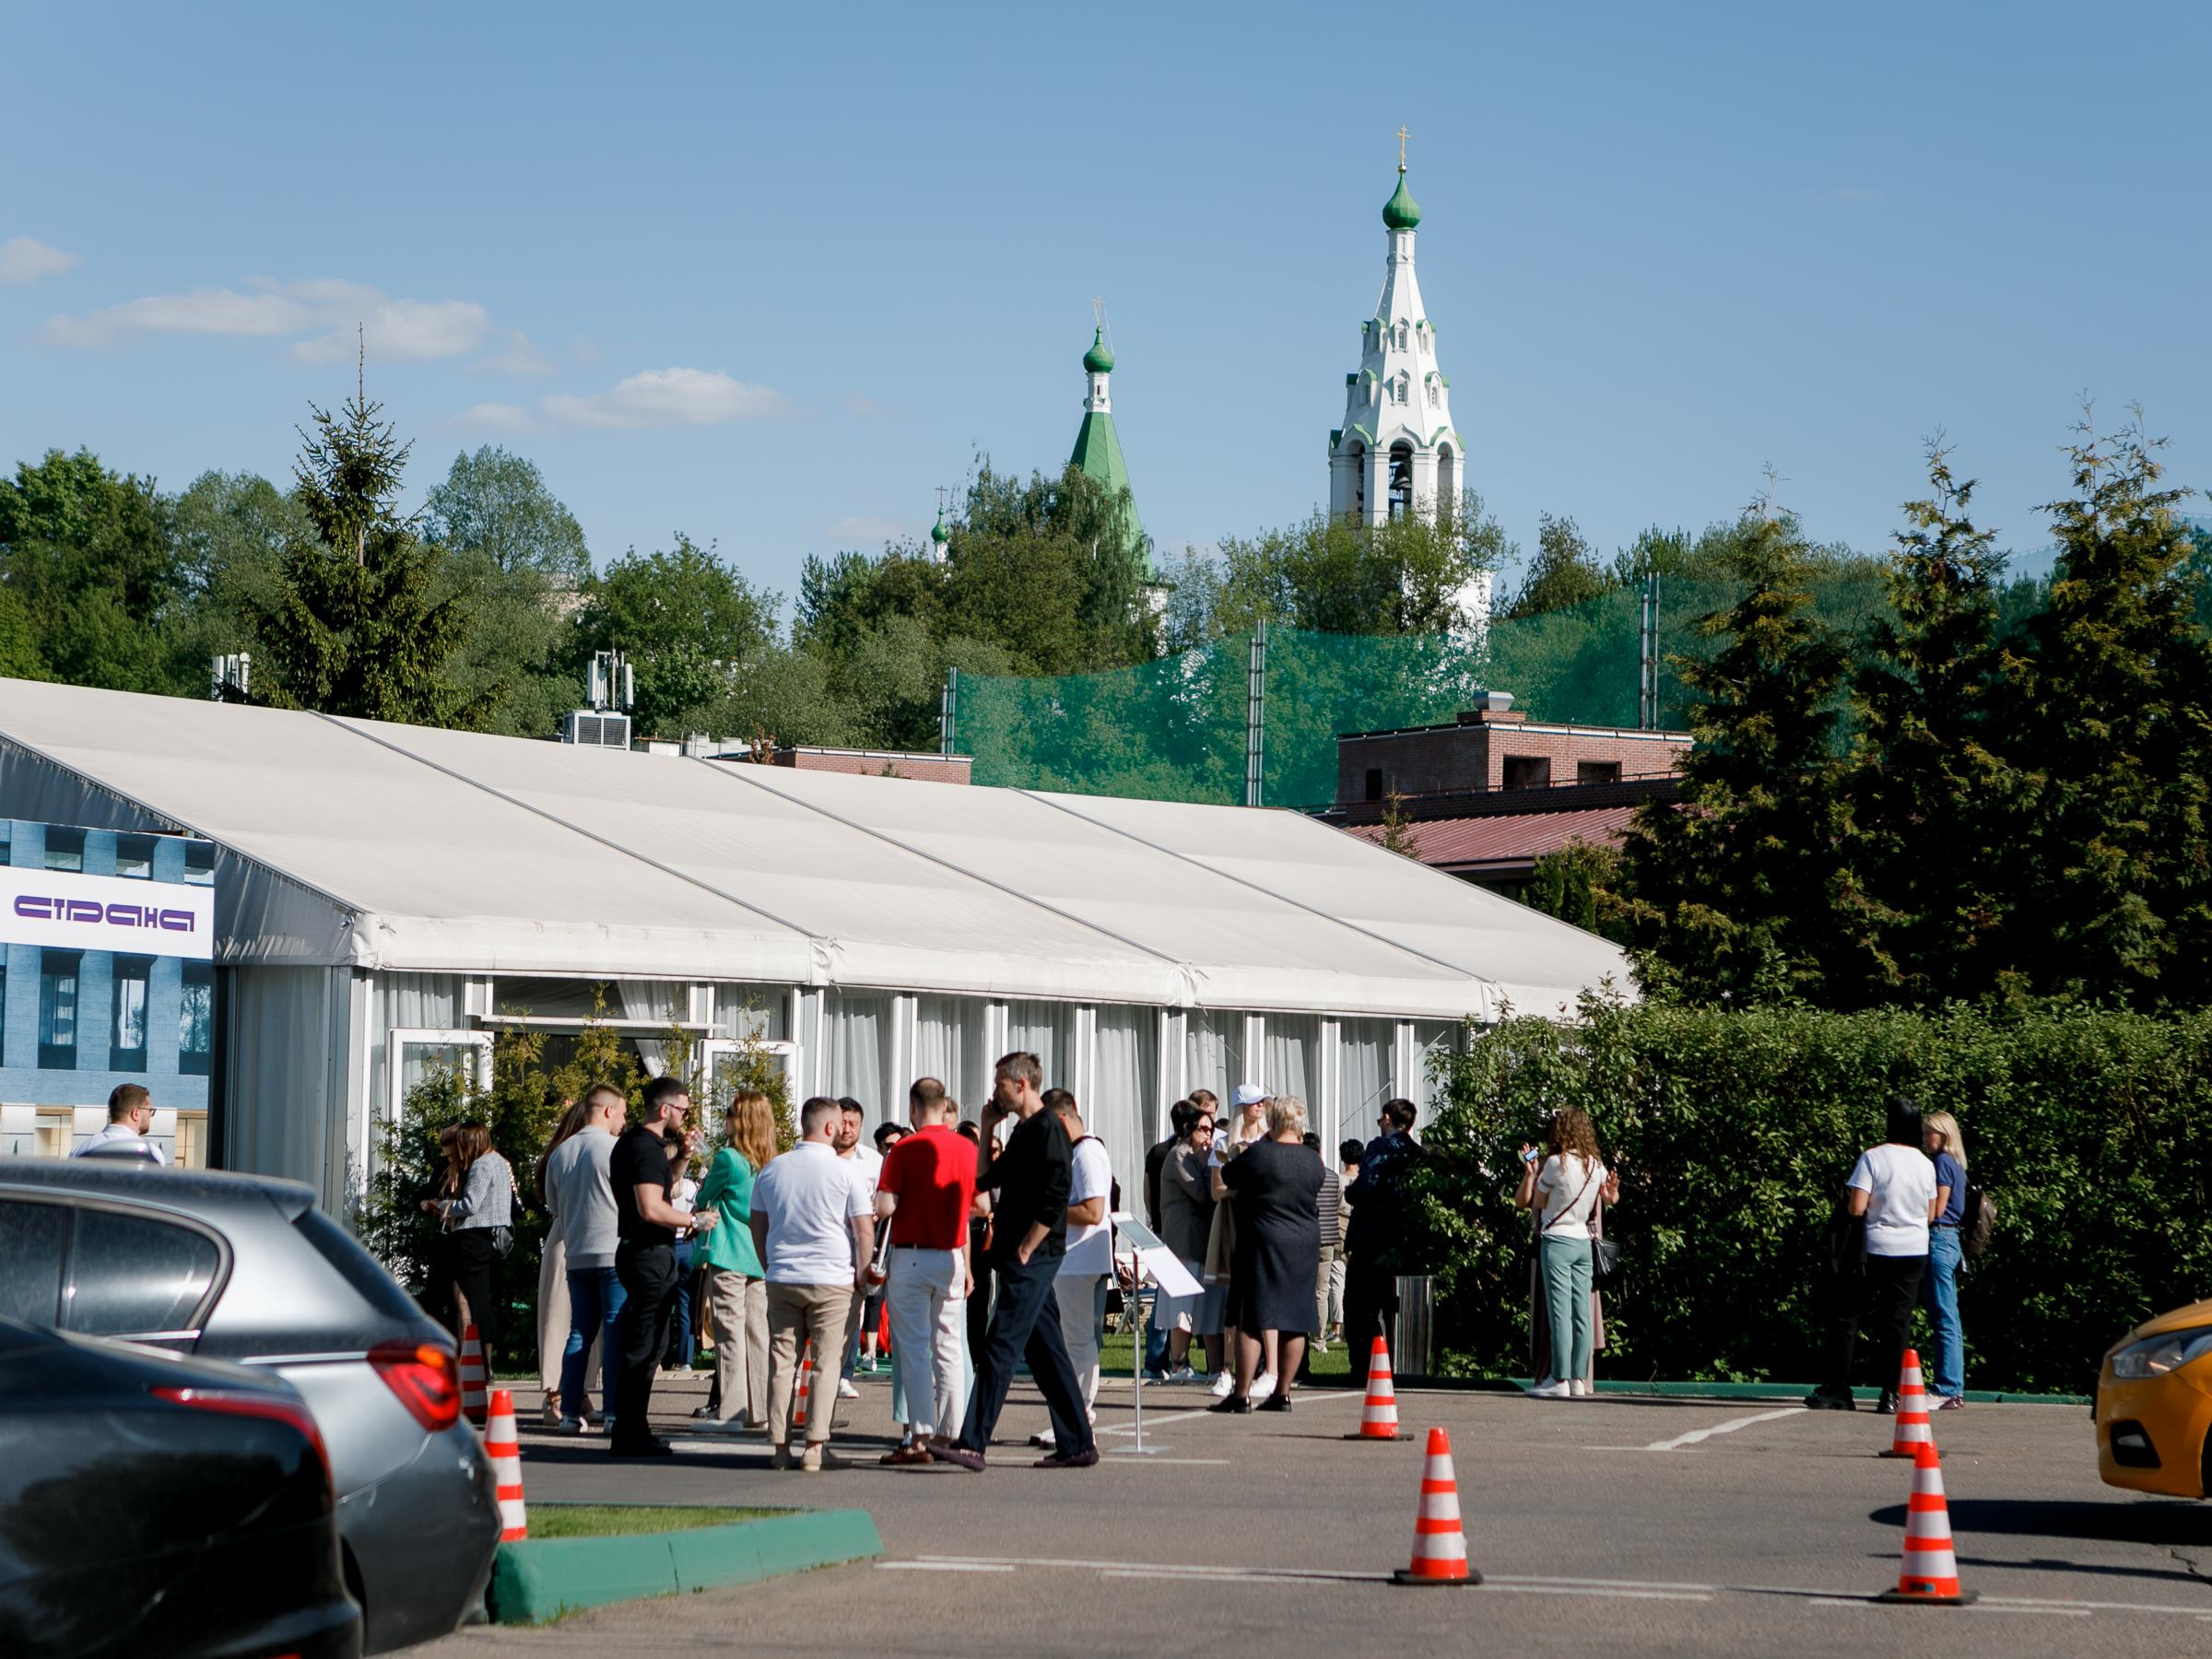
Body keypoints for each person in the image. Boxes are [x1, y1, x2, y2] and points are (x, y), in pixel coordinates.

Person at [931, 1053, 1097, 1472]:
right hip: (1018, 1256)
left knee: (1000, 1346)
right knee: (1047, 1356)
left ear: (1021, 1085)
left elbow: (1057, 1197)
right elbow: (985, 1179)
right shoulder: (1024, 1130)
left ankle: (971, 1443)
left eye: (1000, 1084)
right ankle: (1078, 1444)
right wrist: (987, 1128)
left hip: (1034, 1257)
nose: (995, 1091)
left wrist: (1028, 1246)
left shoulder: (1050, 1131)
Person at [751, 1097, 875, 1472]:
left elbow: (758, 1223)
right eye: (837, 1123)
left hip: (784, 1276)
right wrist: (863, 1273)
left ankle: (779, 1447)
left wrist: (768, 1263)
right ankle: (815, 1446)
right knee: (826, 1364)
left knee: (782, 1363)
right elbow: (863, 1228)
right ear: (829, 1127)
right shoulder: (845, 1171)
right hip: (832, 1278)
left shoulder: (772, 1169)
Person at [607, 1077, 718, 1458]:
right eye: (683, 1110)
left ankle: (633, 1428)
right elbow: (651, 1207)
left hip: (647, 1252)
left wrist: (684, 1156)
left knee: (652, 1343)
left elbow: (664, 1187)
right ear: (664, 1108)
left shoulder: (645, 1146)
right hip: (647, 1252)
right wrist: (694, 1221)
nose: (686, 1117)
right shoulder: (643, 1147)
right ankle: (628, 1432)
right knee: (644, 1345)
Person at [1807, 1095, 1937, 1413]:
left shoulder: (1873, 1158)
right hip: (1914, 1249)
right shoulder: (1925, 1164)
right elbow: (1931, 1214)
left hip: (1876, 1250)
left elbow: (1857, 1207)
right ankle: (1890, 1393)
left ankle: (1839, 1388)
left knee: (1848, 1316)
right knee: (1897, 1323)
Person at [875, 1077, 977, 1465]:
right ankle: (953, 1432)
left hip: (912, 1254)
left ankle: (920, 1436)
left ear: (914, 1108)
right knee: (950, 1346)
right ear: (945, 1105)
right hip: (950, 1254)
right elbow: (978, 1203)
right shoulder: (966, 1147)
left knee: (915, 1350)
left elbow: (885, 1206)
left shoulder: (905, 1147)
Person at [1209, 1097, 1324, 1413]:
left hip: (1262, 1238)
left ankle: (1241, 1394)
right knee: (1296, 1318)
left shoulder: (1260, 1153)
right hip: (1303, 1241)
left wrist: (1258, 1144)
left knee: (1252, 1316)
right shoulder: (1313, 1161)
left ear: (1272, 1123)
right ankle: (1282, 1393)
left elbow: (1229, 1175)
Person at [1513, 1106, 1618, 1399]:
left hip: (1556, 1242)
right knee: (1581, 1314)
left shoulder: (1556, 1163)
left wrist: (1532, 1172)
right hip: (1583, 1242)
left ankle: (1558, 1379)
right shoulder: (1595, 1166)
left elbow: (1539, 1202)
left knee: (1559, 1314)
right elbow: (1609, 1198)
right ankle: (1577, 1380)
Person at [691, 1088, 776, 1433]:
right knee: (759, 1333)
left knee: (729, 1332)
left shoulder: (728, 1158)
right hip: (760, 1254)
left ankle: (731, 1409)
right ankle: (761, 1409)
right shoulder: (769, 1159)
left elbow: (705, 1194)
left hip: (729, 1251)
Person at [545, 1084, 626, 1434]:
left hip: (577, 1253)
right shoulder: (613, 1148)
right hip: (612, 1249)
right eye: (622, 1112)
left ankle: (568, 1413)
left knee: (579, 1332)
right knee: (614, 1331)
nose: (623, 1120)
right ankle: (611, 1414)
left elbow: (553, 1206)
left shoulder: (561, 1153)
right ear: (607, 1110)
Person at [1042, 1088, 1112, 1441]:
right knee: (1074, 1338)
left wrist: (1046, 1211)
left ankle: (1078, 1414)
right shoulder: (1080, 1152)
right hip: (1073, 1259)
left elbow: (1092, 1211)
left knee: (1077, 1339)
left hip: (1079, 1259)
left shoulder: (1087, 1153)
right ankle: (1075, 1412)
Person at [1343, 1099, 1421, 1376]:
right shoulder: (1416, 1153)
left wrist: (1350, 1192)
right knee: (1393, 1304)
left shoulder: (1379, 1147)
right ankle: (1399, 1362)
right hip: (1403, 1237)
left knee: (1359, 1304)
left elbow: (1366, 1186)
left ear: (1387, 1118)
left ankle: (1364, 1363)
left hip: (1370, 1235)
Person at [1204, 1084, 1271, 1399]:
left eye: (1262, 1103)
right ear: (1241, 1108)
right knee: (1235, 1298)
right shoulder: (1223, 1140)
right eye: (1254, 1103)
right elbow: (1217, 1191)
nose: (1260, 1107)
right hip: (1235, 1220)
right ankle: (1227, 1371)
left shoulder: (1267, 1140)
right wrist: (1240, 1189)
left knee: (1265, 1296)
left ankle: (1266, 1370)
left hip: (1264, 1222)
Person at [532, 1092, 587, 1426]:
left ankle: (576, 1391)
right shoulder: (566, 1156)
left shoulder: (559, 1154)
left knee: (580, 1320)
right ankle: (555, 1394)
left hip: (572, 1236)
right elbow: (554, 1203)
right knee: (559, 1318)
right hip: (568, 1237)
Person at [1159, 1110, 1220, 1382]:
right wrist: (1210, 1165)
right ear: (1189, 1130)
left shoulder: (1193, 1156)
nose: (1208, 1135)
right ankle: (1178, 1366)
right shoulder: (1180, 1156)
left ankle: (1214, 1368)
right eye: (1203, 1129)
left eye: (1211, 1129)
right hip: (1182, 1244)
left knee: (1204, 1308)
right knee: (1181, 1309)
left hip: (1199, 1242)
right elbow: (1201, 1193)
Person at [1920, 1111, 1970, 1409]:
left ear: (1944, 1134)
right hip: (1951, 1240)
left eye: (1930, 1133)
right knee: (1948, 1314)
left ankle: (1946, 1388)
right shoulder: (1956, 1164)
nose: (1926, 1139)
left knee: (1943, 1315)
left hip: (1939, 1237)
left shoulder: (1941, 1163)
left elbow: (1937, 1209)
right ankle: (1952, 1386)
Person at [832, 1099, 881, 1399]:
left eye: (854, 1124)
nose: (848, 1129)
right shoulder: (822, 1156)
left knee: (853, 1309)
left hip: (858, 1240)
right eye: (844, 1123)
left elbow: (882, 1199)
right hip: (826, 1239)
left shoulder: (873, 1160)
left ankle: (844, 1373)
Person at [1139, 1103, 1191, 1379]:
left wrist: (1155, 1219)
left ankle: (1156, 1360)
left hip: (1161, 1228)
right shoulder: (1179, 1154)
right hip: (1176, 1231)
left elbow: (1147, 1191)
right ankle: (1160, 1360)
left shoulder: (1157, 1151)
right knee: (1170, 1298)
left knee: (1163, 1297)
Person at [661, 1137, 700, 1373]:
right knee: (686, 1304)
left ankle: (658, 1357)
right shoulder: (691, 1187)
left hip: (667, 1243)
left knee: (662, 1305)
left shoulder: (661, 1187)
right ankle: (685, 1358)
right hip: (688, 1244)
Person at [958, 1119, 994, 1358]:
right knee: (973, 1296)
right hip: (969, 1232)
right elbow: (984, 1205)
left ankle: (976, 1348)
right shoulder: (971, 1165)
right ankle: (973, 1348)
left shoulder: (985, 1168)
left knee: (978, 1296)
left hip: (979, 1236)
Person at [1309, 1131, 1344, 1355]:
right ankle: (1319, 1339)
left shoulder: (1302, 1175)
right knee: (1322, 1291)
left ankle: (1301, 1333)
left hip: (1307, 1237)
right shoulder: (1332, 1177)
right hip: (1329, 1239)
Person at [74, 1083, 167, 1162]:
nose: (151, 1115)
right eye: (149, 1110)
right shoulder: (150, 1153)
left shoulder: (80, 1150)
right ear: (136, 1114)